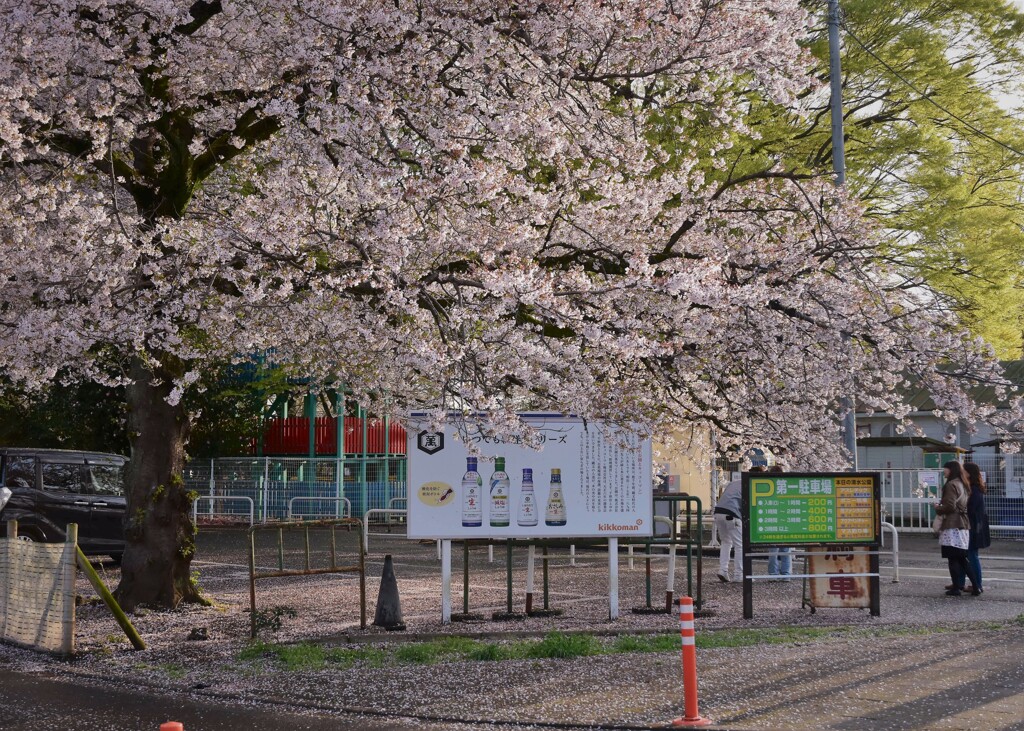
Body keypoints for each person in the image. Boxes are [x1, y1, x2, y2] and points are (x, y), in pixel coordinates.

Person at [934, 461, 980, 596]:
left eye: (945, 468)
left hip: (952, 525)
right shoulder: (963, 483)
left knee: (953, 558)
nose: (944, 471)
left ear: (951, 470)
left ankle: (956, 588)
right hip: (963, 525)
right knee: (962, 558)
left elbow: (950, 506)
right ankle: (976, 587)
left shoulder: (951, 484)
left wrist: (938, 508)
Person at [714, 466, 765, 582]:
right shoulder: (751, 485)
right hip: (732, 514)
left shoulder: (734, 483)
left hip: (718, 512)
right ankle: (739, 574)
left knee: (726, 542)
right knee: (740, 545)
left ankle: (723, 570)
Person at [952, 462, 991, 594]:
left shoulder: (973, 489)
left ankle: (976, 584)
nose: (961, 472)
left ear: (968, 473)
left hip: (972, 526)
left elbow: (969, 509)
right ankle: (961, 583)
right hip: (973, 525)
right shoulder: (975, 487)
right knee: (965, 555)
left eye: (963, 470)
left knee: (970, 555)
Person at [766, 464, 791, 581]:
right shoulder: (786, 486)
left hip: (773, 523)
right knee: (785, 551)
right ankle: (786, 575)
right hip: (786, 522)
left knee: (773, 551)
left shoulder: (768, 486)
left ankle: (773, 574)